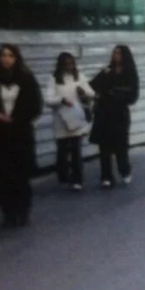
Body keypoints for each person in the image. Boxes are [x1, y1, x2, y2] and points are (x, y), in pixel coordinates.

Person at [0, 44, 43, 228]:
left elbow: (35, 105)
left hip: (21, 133)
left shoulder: (26, 79)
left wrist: (17, 119)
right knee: (3, 175)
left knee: (21, 174)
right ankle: (8, 212)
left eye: (10, 55)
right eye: (2, 55)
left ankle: (23, 209)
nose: (6, 59)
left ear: (16, 58)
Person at [89, 45, 140, 189]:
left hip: (119, 114)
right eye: (114, 53)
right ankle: (106, 176)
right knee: (104, 146)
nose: (115, 55)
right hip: (104, 113)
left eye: (118, 53)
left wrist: (117, 94)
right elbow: (92, 86)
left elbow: (133, 95)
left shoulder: (130, 73)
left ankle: (124, 170)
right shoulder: (106, 71)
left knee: (121, 145)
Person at [45, 52, 94, 191]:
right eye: (66, 64)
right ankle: (64, 174)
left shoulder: (79, 77)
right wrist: (61, 100)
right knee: (62, 151)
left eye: (71, 63)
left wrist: (84, 93)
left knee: (76, 150)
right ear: (61, 65)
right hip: (61, 120)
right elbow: (48, 99)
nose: (69, 66)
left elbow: (91, 93)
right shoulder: (54, 79)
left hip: (76, 117)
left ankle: (77, 180)